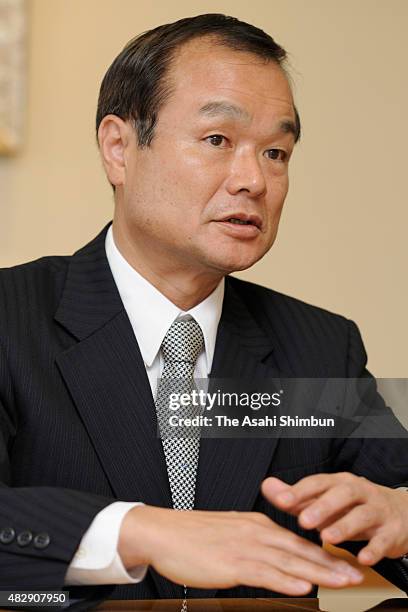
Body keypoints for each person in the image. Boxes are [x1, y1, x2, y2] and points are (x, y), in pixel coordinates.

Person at [0, 13, 407, 608]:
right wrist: (140, 531)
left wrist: (402, 511)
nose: (253, 180)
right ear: (118, 148)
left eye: (276, 152)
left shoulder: (318, 346)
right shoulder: (12, 318)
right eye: (217, 140)